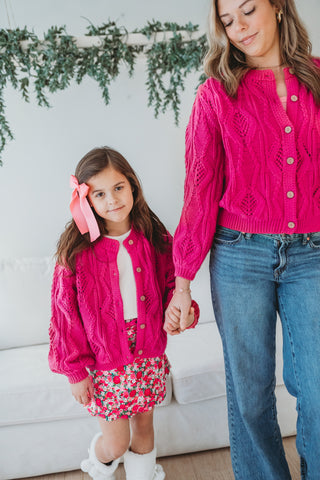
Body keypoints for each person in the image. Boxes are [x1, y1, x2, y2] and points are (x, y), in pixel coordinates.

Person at [165, 0, 320, 478]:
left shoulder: (316, 77)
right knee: (249, 395)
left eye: (248, 11)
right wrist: (183, 280)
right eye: (228, 21)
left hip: (313, 254)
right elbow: (200, 186)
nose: (239, 28)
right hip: (239, 255)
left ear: (277, 7)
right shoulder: (216, 94)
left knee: (316, 386)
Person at [48, 146, 199, 480]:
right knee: (117, 442)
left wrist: (183, 312)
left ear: (132, 186)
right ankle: (98, 465)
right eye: (99, 193)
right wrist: (75, 371)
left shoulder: (155, 238)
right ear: (86, 200)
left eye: (118, 188)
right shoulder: (76, 253)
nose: (112, 200)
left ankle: (143, 476)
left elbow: (175, 284)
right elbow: (64, 315)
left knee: (144, 425)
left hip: (148, 353)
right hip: (104, 361)